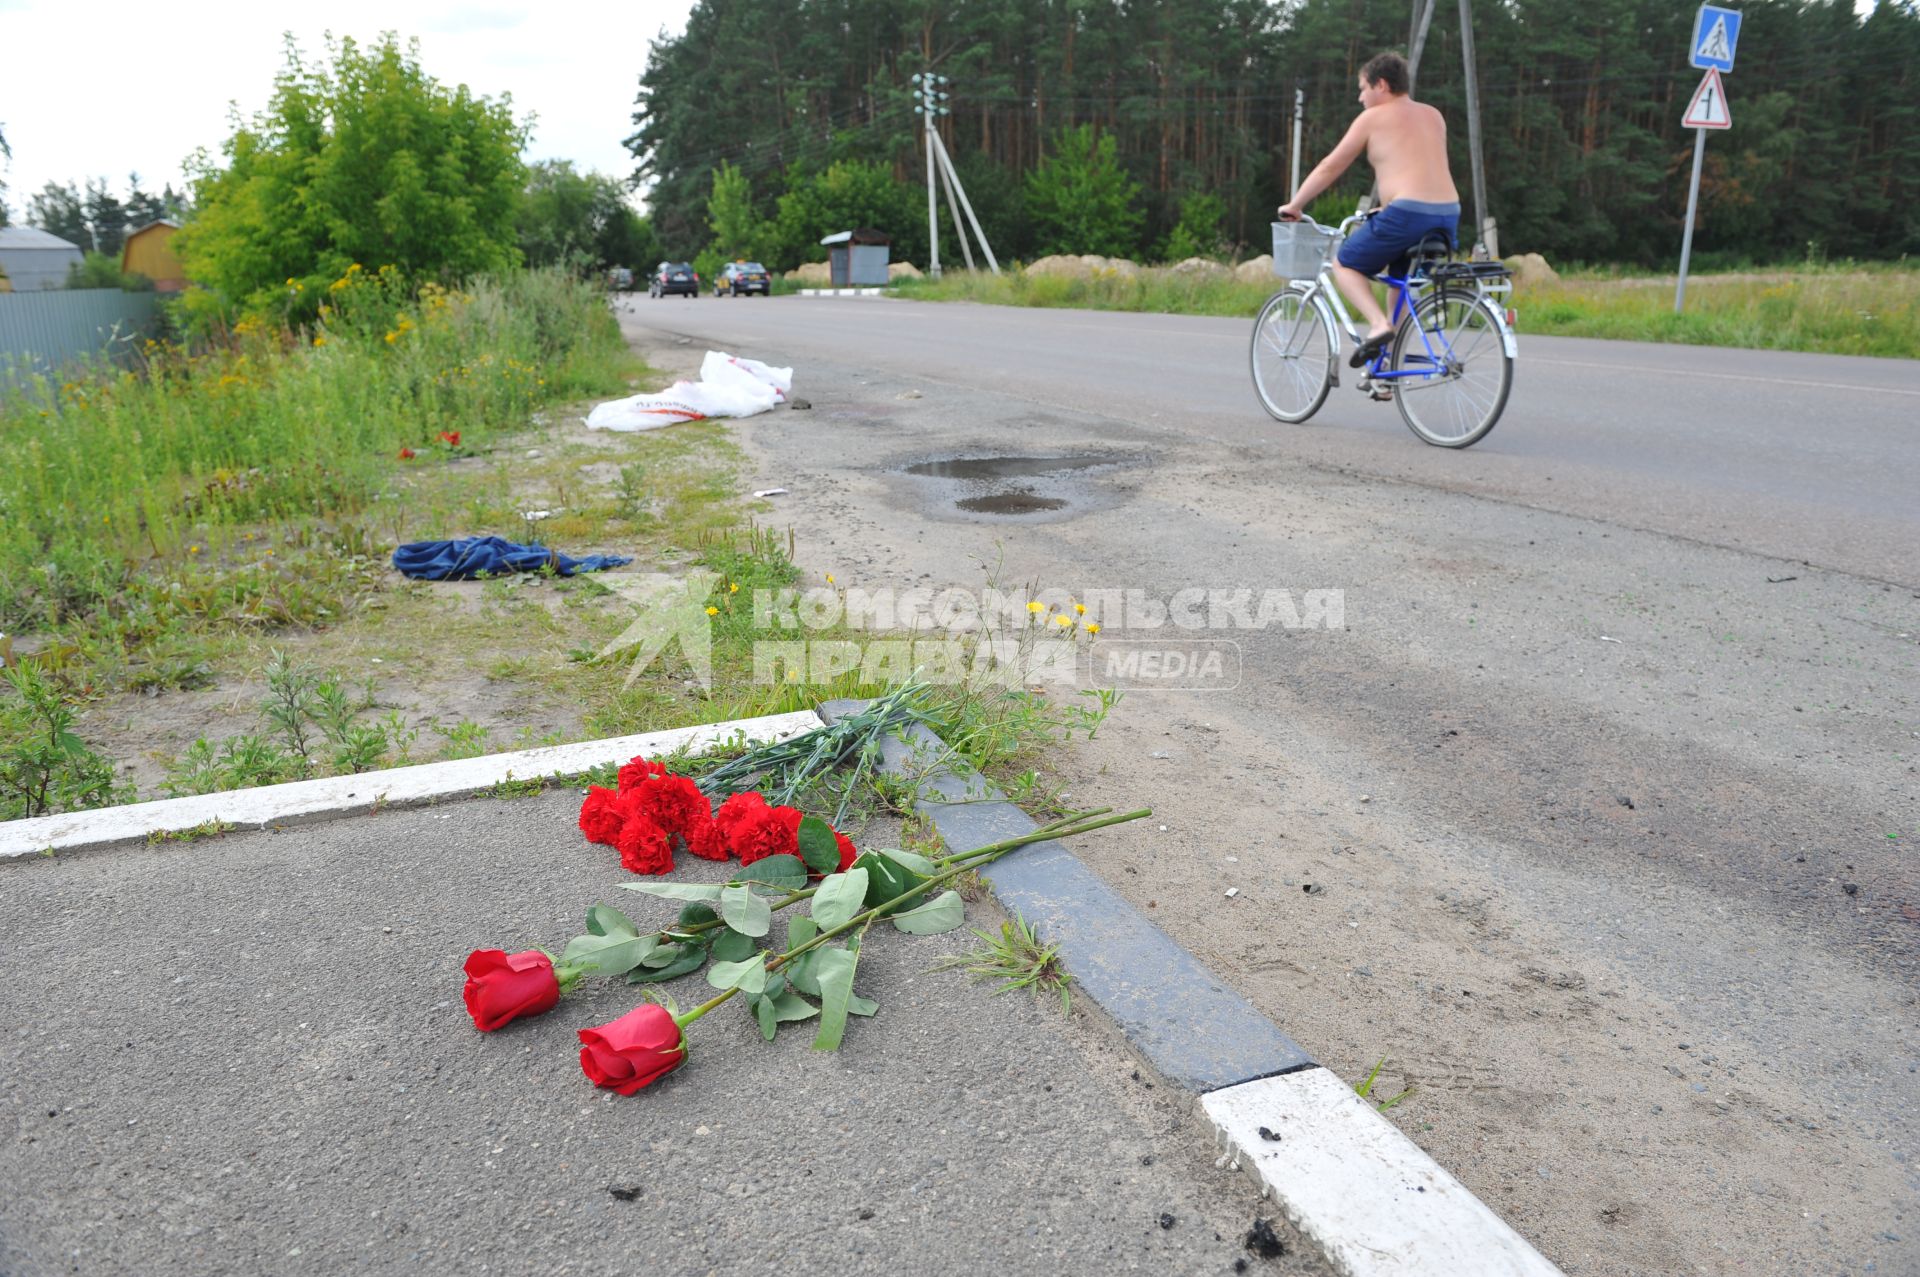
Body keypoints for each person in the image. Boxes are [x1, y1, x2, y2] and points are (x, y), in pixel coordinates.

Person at [1278, 52, 1461, 368]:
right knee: (1401, 284)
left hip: (1408, 213)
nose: (1360, 97)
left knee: (1345, 264)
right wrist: (1389, 207)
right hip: (1447, 215)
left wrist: (1296, 204)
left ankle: (1378, 325)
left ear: (1382, 85)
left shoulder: (1372, 119)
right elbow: (1416, 164)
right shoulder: (1434, 115)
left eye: (1363, 88)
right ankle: (1390, 370)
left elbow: (1330, 166)